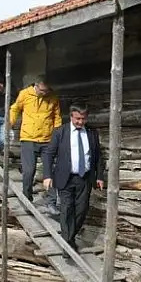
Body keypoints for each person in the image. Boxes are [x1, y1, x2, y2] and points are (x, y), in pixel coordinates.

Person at [42, 103, 104, 256]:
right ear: (71, 117)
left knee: (81, 210)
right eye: (77, 119)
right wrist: (47, 175)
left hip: (85, 178)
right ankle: (67, 245)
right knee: (67, 209)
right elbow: (49, 154)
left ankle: (69, 238)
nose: (80, 122)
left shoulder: (91, 133)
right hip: (65, 177)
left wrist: (100, 176)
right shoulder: (60, 132)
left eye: (83, 119)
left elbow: (98, 157)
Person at [9, 76, 62, 215]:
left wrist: (57, 135)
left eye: (47, 91)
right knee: (28, 171)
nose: (45, 93)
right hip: (28, 139)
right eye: (42, 91)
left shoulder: (53, 97)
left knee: (49, 172)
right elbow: (15, 109)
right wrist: (10, 122)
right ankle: (27, 199)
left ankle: (51, 203)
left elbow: (57, 118)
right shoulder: (25, 94)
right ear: (36, 86)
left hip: (47, 140)